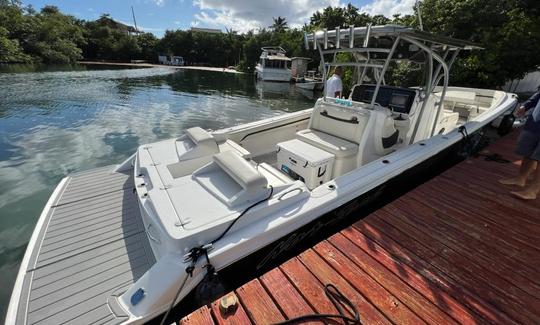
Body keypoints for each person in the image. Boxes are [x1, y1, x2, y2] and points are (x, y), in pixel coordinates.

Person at [499, 86, 540, 200]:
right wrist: (526, 105)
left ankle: (532, 191)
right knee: (527, 150)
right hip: (536, 120)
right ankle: (520, 179)